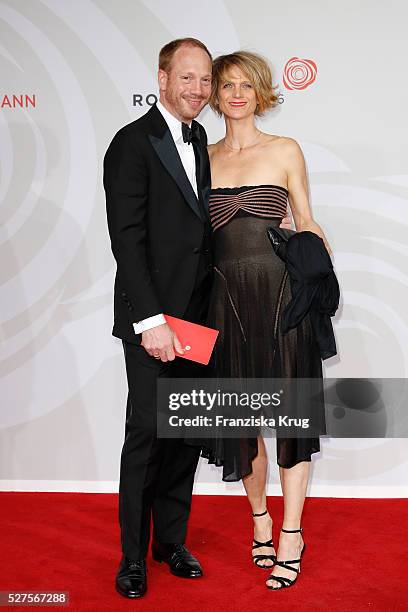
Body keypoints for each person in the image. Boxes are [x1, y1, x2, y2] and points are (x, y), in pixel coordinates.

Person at [203, 51, 332, 590]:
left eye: (246, 85)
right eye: (227, 85)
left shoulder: (284, 150)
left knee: (291, 422)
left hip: (282, 301)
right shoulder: (199, 157)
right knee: (242, 425)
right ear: (215, 94)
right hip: (223, 304)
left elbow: (305, 219)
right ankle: (259, 517)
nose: (236, 94)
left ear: (261, 93)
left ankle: (292, 532)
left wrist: (315, 263)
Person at [103, 37, 214, 599]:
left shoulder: (199, 141)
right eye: (187, 78)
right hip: (154, 321)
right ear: (164, 77)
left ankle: (169, 541)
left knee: (184, 434)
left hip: (196, 318)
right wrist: (151, 322)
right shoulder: (132, 142)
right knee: (146, 434)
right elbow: (127, 240)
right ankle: (131, 558)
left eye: (205, 81)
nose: (198, 90)